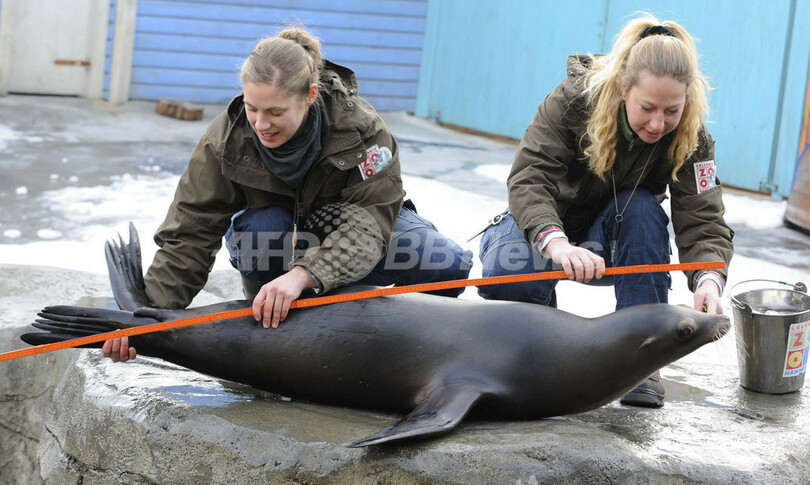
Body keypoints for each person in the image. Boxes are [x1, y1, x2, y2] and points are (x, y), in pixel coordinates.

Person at [102, 26, 472, 362]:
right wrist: (143, 322)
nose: (261, 124)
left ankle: (405, 349)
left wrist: (305, 274)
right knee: (264, 229)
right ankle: (269, 313)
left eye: (275, 112)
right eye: (252, 108)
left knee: (446, 264)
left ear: (309, 96)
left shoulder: (363, 130)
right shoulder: (224, 140)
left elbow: (370, 225)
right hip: (276, 236)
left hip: (355, 229)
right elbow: (190, 235)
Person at [476, 15, 733, 408]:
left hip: (613, 238)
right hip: (548, 229)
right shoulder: (572, 100)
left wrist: (709, 281)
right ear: (621, 88)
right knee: (510, 273)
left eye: (672, 110)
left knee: (644, 212)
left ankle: (640, 364)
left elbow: (703, 217)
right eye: (647, 107)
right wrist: (557, 244)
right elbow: (530, 177)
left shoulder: (692, 135)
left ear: (688, 99)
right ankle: (533, 359)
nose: (658, 123)